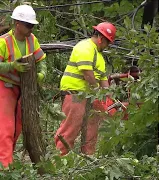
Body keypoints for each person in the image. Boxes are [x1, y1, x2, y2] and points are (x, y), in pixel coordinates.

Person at [54, 22, 117, 156]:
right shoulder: (85, 47)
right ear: (101, 38)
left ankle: (88, 158)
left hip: (90, 97)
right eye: (108, 43)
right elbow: (87, 73)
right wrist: (97, 91)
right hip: (76, 94)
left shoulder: (99, 56)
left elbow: (103, 78)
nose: (107, 46)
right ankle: (59, 160)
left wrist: (108, 96)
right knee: (69, 130)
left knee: (91, 130)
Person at [0, 5, 46, 168]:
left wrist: (41, 74)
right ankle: (5, 167)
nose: (30, 28)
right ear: (17, 23)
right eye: (28, 25)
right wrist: (12, 65)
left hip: (23, 89)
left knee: (17, 128)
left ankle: (6, 162)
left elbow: (42, 61)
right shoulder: (4, 41)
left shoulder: (32, 40)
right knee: (5, 128)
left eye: (32, 25)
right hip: (4, 86)